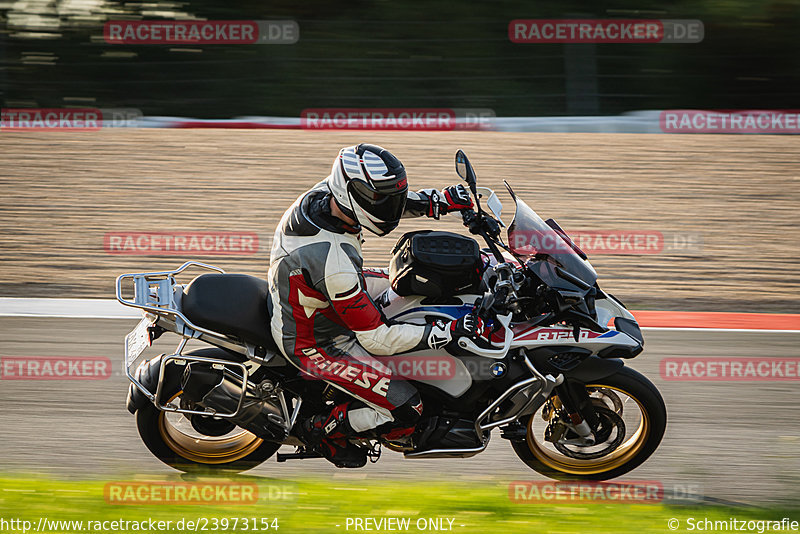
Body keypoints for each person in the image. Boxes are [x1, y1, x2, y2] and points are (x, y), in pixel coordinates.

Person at [268, 143, 485, 467]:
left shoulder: (328, 197)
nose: (388, 206)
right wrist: (447, 331)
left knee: (418, 287)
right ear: (353, 194)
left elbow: (388, 205)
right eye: (379, 199)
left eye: (391, 197)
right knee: (408, 408)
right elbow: (377, 339)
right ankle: (323, 431)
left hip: (314, 292)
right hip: (317, 340)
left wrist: (438, 202)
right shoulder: (335, 262)